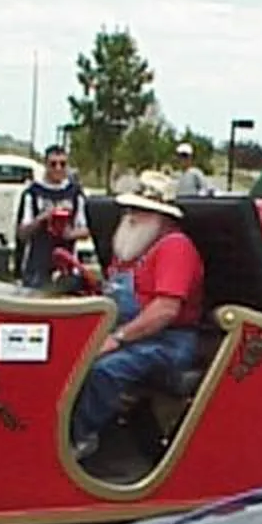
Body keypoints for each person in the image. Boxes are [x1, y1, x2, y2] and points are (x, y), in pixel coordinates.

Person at [70, 171, 205, 461]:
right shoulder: (133, 249)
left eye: (140, 211)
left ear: (162, 217)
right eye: (130, 209)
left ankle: (79, 441)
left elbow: (165, 311)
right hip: (135, 334)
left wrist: (117, 339)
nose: (130, 216)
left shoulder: (175, 247)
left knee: (103, 371)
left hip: (168, 341)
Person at [16, 144, 89, 288]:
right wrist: (42, 218)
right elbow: (22, 233)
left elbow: (86, 229)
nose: (58, 168)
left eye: (62, 164)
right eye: (53, 164)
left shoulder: (74, 193)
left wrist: (70, 233)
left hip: (66, 264)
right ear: (46, 165)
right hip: (37, 265)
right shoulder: (32, 193)